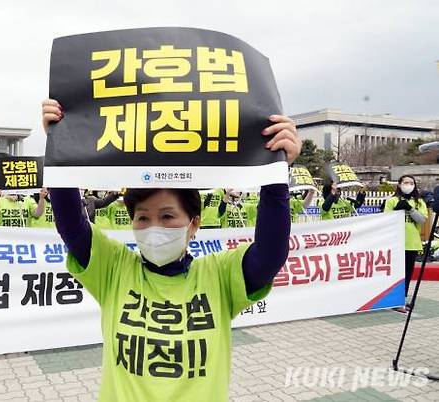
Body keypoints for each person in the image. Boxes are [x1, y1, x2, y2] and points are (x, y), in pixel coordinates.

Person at [42, 98, 301, 401]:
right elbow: (73, 227)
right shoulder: (114, 269)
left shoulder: (218, 275)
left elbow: (270, 254)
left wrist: (275, 174)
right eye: (143, 217)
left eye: (167, 216)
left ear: (193, 224)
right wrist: (59, 147)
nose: (154, 227)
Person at [384, 175, 428, 312]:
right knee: (394, 273)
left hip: (411, 243)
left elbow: (422, 220)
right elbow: (385, 220)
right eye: (405, 182)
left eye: (411, 183)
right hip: (395, 242)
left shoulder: (419, 202)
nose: (408, 185)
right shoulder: (392, 200)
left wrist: (410, 209)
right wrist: (396, 211)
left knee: (407, 273)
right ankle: (392, 299)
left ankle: (401, 299)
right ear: (399, 184)